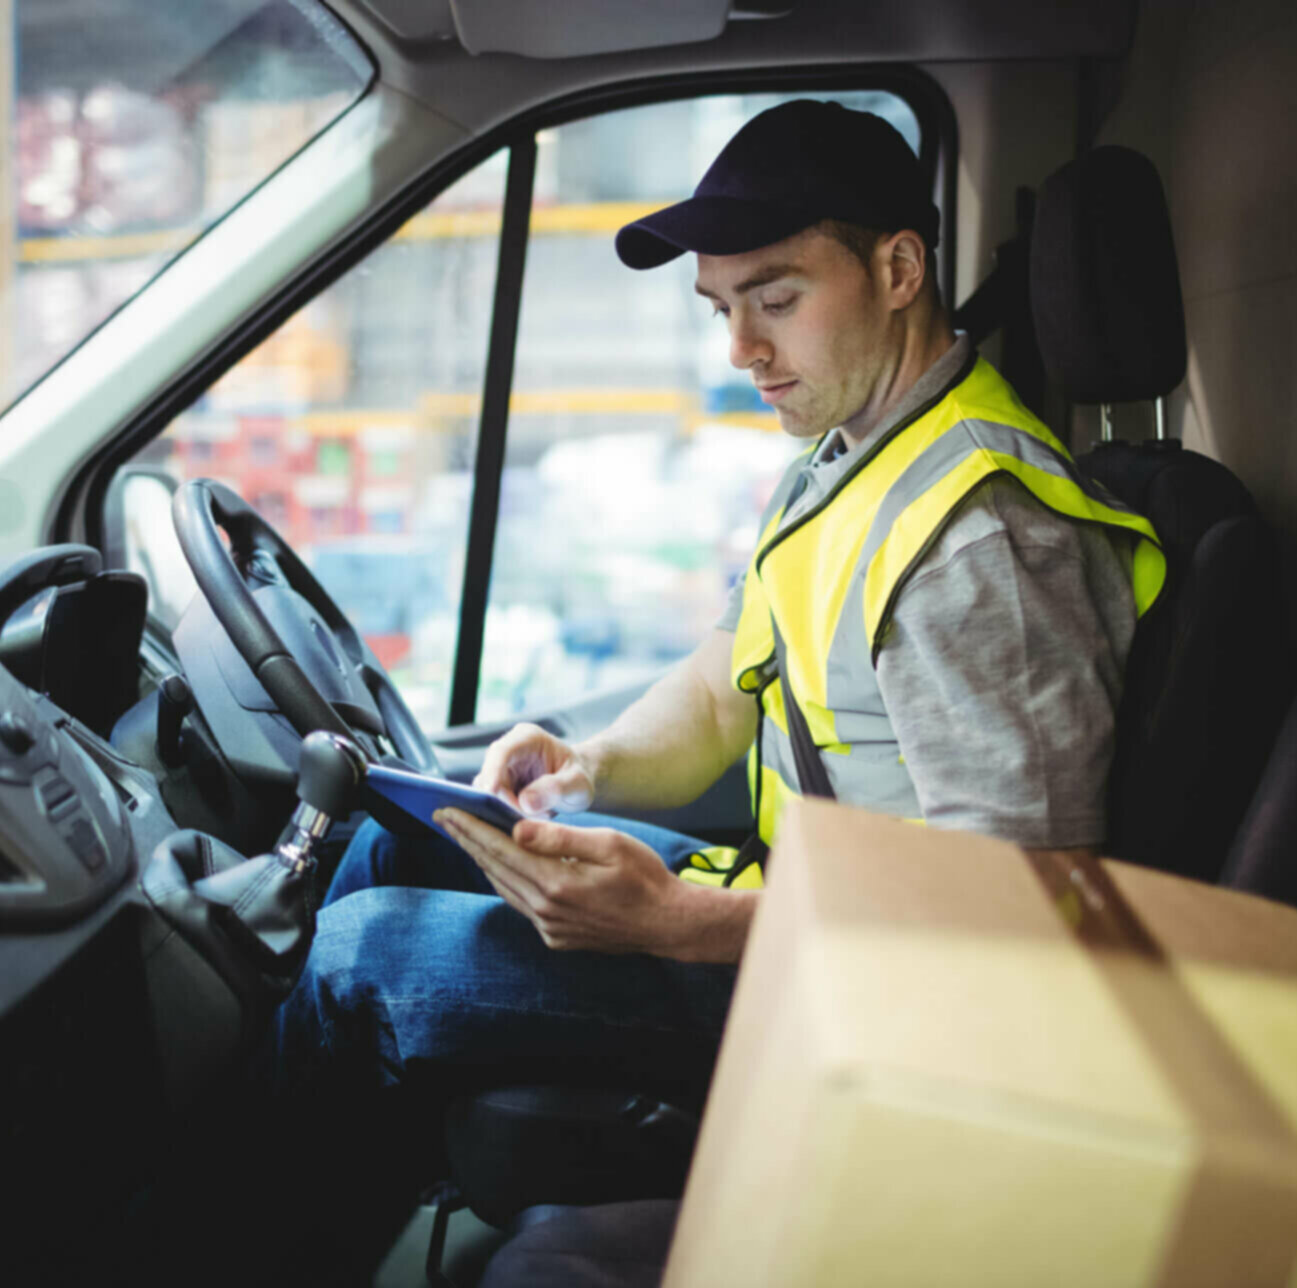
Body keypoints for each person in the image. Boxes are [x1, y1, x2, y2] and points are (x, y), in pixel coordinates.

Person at [270, 99, 1163, 1263]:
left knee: (357, 963)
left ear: (899, 270)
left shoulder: (980, 540)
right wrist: (584, 766)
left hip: (887, 1018)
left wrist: (683, 924)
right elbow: (723, 684)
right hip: (801, 918)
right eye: (721, 309)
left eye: (777, 300)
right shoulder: (846, 459)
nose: (741, 349)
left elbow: (1018, 919)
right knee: (393, 847)